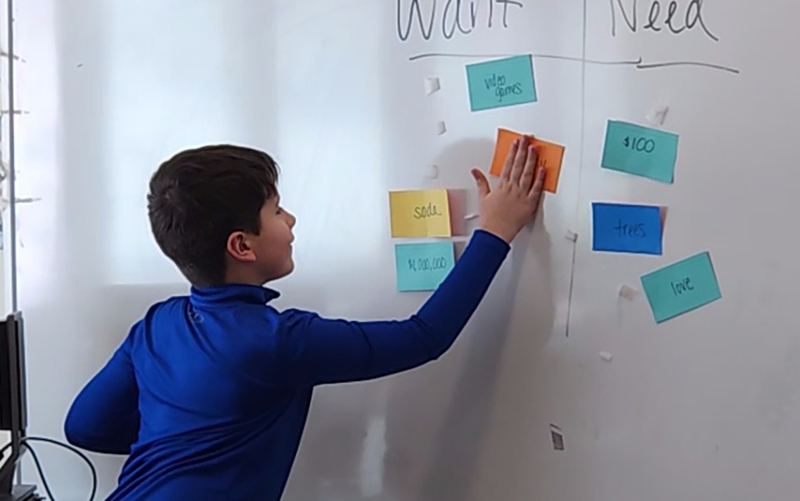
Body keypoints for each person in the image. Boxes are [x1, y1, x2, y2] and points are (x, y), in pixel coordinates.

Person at [64, 136, 547, 500]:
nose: (290, 219)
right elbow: (423, 337)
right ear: (242, 246)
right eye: (276, 211)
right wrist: (496, 230)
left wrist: (179, 441)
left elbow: (85, 427)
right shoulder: (277, 342)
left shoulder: (156, 326)